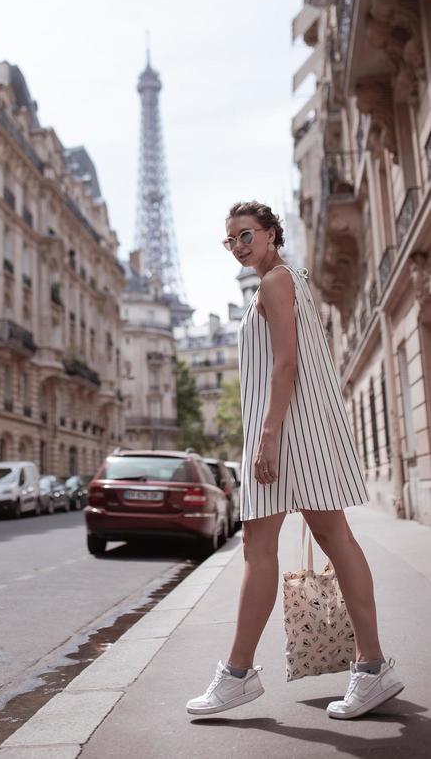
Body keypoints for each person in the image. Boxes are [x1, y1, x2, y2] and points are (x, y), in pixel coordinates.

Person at [186, 201, 404, 721]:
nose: (239, 247)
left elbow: (286, 362)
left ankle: (243, 676)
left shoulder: (276, 282)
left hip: (286, 435)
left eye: (246, 236)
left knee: (275, 548)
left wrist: (266, 437)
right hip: (295, 431)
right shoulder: (290, 279)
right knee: (314, 541)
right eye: (231, 240)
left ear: (270, 234)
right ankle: (367, 668)